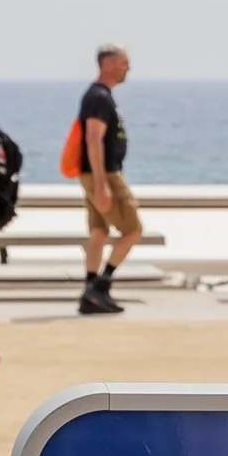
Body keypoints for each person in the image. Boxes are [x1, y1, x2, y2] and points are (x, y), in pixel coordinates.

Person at [72, 43, 140, 315]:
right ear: (108, 64)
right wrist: (102, 183)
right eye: (124, 63)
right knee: (133, 230)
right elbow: (93, 138)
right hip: (105, 174)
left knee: (99, 232)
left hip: (95, 174)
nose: (128, 69)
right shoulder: (98, 97)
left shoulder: (99, 95)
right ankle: (100, 285)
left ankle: (90, 292)